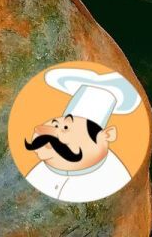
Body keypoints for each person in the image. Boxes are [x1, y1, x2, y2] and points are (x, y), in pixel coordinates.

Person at [23, 68, 141, 203]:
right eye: (55, 124)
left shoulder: (113, 179)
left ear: (107, 135)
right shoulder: (41, 169)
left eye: (66, 128)